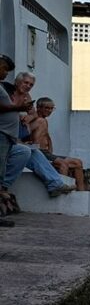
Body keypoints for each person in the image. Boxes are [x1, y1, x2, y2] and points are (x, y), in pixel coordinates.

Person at [6, 72, 73, 198]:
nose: (28, 86)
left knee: (34, 152)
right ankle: (3, 187)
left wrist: (29, 117)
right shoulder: (7, 94)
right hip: (7, 138)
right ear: (17, 81)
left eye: (31, 84)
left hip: (16, 136)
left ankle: (55, 185)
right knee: (25, 150)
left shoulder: (26, 96)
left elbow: (34, 113)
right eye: (26, 82)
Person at [24, 98, 87, 191]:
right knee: (63, 164)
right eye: (47, 108)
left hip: (47, 153)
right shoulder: (39, 120)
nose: (49, 111)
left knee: (78, 163)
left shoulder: (43, 120)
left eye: (51, 108)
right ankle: (62, 188)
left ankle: (82, 193)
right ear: (39, 108)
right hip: (39, 152)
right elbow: (28, 134)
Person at [0, 55, 31, 223]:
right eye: (4, 69)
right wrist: (19, 107)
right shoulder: (4, 88)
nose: (5, 74)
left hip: (7, 135)